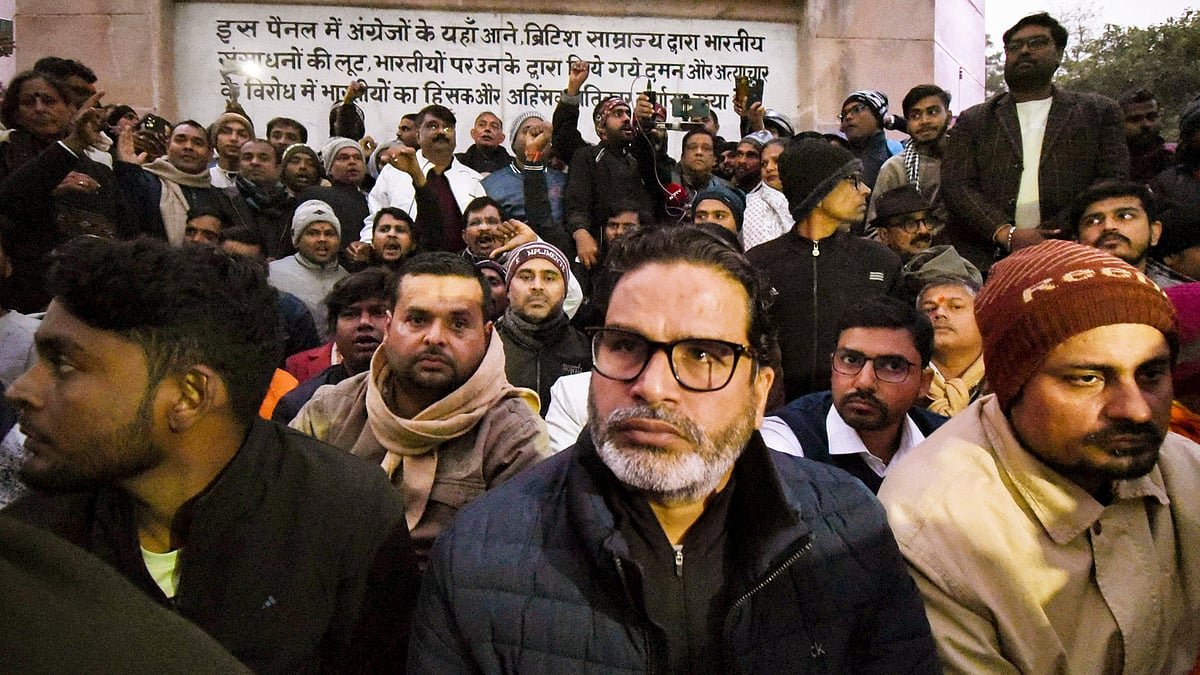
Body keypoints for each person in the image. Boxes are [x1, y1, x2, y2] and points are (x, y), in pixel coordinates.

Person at [407, 225, 939, 672]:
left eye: (703, 354)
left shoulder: (850, 530)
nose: (654, 385)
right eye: (625, 346)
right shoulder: (479, 554)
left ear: (759, 392)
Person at [4, 237, 418, 673]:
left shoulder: (348, 518)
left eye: (65, 364)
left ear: (189, 395)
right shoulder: (31, 547)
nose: (20, 389)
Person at [879, 239, 1200, 673]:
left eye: (1152, 374)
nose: (1137, 409)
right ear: (1012, 387)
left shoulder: (1185, 469)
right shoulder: (931, 527)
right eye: (1087, 378)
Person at [291, 252, 550, 563]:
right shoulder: (330, 411)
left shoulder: (513, 435)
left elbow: (512, 567)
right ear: (388, 326)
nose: (434, 338)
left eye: (458, 323)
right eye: (417, 320)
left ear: (486, 335)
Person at [943, 12, 1129, 272]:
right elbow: (957, 185)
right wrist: (1006, 233)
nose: (1025, 51)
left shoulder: (1097, 112)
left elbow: (1111, 178)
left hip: (1074, 250)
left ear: (1059, 53)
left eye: (1037, 43)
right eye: (1016, 47)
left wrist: (1055, 232)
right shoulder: (975, 119)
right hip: (984, 257)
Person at [746, 138, 901, 400]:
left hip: (862, 408)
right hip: (779, 419)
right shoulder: (758, 264)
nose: (864, 189)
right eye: (851, 179)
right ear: (818, 193)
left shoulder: (881, 262)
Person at [762, 296, 945, 493]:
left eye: (892, 366)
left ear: (924, 382)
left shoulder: (946, 443)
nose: (864, 382)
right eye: (851, 360)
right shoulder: (786, 437)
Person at [0, 70, 130, 312]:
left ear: (70, 109)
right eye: (29, 102)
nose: (39, 109)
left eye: (49, 101)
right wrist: (70, 148)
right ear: (15, 114)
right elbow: (8, 201)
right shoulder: (6, 154)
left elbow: (126, 232)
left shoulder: (98, 169)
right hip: (27, 301)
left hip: (93, 299)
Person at [273, 268, 392, 425]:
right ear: (333, 327)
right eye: (350, 314)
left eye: (378, 313)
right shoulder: (301, 405)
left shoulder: (421, 395)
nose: (364, 323)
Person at [364, 104, 486, 252]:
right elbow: (375, 218)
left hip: (457, 265)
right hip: (405, 263)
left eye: (448, 128)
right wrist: (367, 246)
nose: (442, 132)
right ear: (417, 136)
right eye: (433, 126)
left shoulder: (473, 179)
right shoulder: (394, 172)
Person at [495, 242, 590, 415]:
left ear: (565, 292)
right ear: (508, 290)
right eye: (525, 277)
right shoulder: (487, 348)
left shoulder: (586, 350)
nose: (537, 286)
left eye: (549, 277)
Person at [480, 110, 573, 257]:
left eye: (542, 132)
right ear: (513, 143)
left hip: (558, 255)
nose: (536, 136)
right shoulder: (489, 184)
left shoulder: (565, 181)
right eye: (527, 130)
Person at [1068, 179, 1185, 288]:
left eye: (1125, 216)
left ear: (1154, 232)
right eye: (1093, 221)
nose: (1108, 226)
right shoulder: (1057, 300)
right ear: (1076, 242)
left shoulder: (1184, 299)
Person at [867, 84, 952, 228]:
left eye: (932, 112)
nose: (924, 121)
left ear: (948, 117)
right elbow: (875, 230)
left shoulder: (966, 160)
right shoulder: (894, 169)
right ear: (907, 124)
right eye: (915, 116)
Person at [267, 200, 349, 342]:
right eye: (313, 233)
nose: (322, 239)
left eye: (329, 234)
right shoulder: (272, 274)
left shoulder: (348, 280)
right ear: (297, 239)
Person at [916, 275, 985, 416]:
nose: (939, 313)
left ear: (983, 315)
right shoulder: (900, 380)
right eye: (929, 309)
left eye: (956, 307)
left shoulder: (1006, 380)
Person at [223, 138, 295, 259]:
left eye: (263, 158)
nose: (255, 162)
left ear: (278, 168)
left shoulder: (291, 204)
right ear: (238, 164)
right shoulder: (223, 199)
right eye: (247, 157)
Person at [838, 89, 899, 191]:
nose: (848, 117)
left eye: (857, 109)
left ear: (877, 117)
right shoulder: (838, 159)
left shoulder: (899, 155)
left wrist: (898, 123)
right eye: (844, 114)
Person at [741, 136, 793, 249]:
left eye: (777, 161)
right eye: (764, 164)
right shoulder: (750, 204)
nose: (769, 168)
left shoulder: (809, 202)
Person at [1121, 88, 1175, 183]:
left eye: (1151, 117)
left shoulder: (1176, 158)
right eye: (1135, 119)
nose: (1146, 124)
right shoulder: (1114, 167)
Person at [454, 110, 513, 175]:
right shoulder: (456, 162)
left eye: (494, 126)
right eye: (482, 125)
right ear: (473, 133)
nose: (487, 129)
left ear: (502, 138)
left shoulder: (513, 166)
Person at [206, 111, 253, 189]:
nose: (233, 138)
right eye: (226, 132)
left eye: (242, 134)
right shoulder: (203, 179)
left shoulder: (256, 180)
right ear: (215, 138)